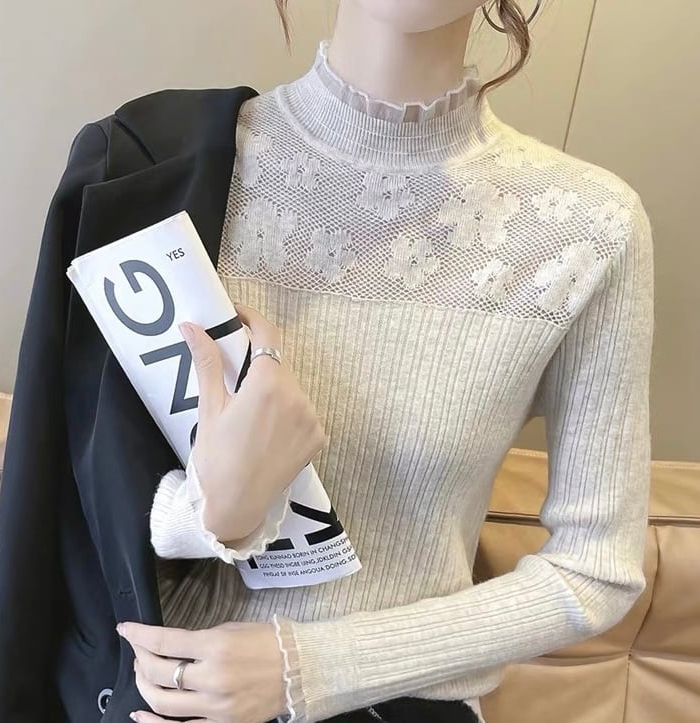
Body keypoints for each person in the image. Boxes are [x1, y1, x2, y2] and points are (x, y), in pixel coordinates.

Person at [112, 1, 655, 723]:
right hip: (164, 695)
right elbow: (77, 494)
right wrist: (210, 512)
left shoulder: (589, 228)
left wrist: (313, 663)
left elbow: (597, 568)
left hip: (401, 708)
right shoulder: (161, 170)